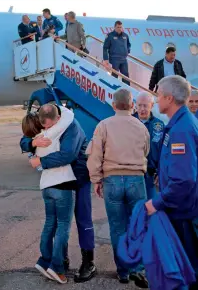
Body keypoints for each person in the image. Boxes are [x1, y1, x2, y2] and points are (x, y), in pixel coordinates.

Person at [20, 106, 97, 283]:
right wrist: (32, 143)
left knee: (82, 219)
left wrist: (40, 160)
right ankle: (60, 261)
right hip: (60, 180)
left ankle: (88, 262)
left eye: (48, 126)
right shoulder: (47, 119)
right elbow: (25, 138)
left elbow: (67, 155)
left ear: (57, 118)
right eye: (43, 126)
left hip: (79, 176)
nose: (45, 130)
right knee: (59, 223)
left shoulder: (71, 126)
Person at [86, 88, 149, 287]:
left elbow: (95, 156)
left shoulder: (103, 126)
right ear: (132, 106)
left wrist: (96, 179)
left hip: (112, 179)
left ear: (113, 105)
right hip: (136, 180)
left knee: (117, 228)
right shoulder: (141, 127)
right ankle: (137, 269)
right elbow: (146, 151)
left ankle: (122, 271)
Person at [144, 75, 198, 288]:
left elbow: (183, 180)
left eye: (158, 96)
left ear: (169, 98)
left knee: (188, 269)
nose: (156, 101)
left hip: (183, 213)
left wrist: (156, 202)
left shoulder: (181, 130)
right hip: (181, 209)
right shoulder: (180, 123)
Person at [22, 104, 75, 284]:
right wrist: (56, 107)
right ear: (53, 120)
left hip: (46, 186)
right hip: (63, 184)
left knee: (49, 224)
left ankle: (44, 260)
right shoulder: (54, 131)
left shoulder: (37, 138)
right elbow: (68, 114)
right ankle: (56, 267)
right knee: (63, 227)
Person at [133, 92, 165, 199]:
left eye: (145, 105)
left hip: (151, 176)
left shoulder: (159, 125)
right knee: (134, 210)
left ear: (152, 106)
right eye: (139, 105)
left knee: (150, 208)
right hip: (132, 175)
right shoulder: (129, 122)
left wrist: (161, 171)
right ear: (135, 105)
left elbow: (163, 151)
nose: (142, 109)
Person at [103, 21, 131, 86]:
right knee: (114, 75)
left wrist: (127, 51)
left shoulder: (125, 35)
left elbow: (128, 45)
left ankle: (127, 89)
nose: (119, 29)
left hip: (123, 59)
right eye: (118, 27)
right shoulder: (110, 36)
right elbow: (105, 48)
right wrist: (105, 59)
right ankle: (112, 87)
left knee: (125, 75)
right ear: (115, 27)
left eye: (120, 27)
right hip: (114, 59)